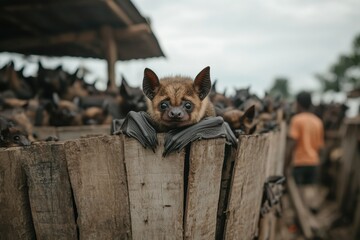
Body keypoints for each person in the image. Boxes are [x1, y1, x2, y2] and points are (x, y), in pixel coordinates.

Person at [286, 91, 324, 186]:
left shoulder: (297, 120)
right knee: (309, 194)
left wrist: (286, 165)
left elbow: (292, 143)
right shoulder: (318, 122)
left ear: (298, 104)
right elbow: (320, 147)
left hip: (299, 163)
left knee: (298, 194)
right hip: (314, 163)